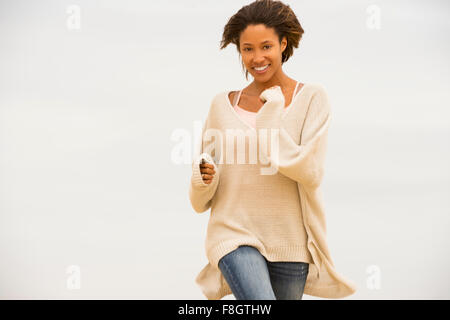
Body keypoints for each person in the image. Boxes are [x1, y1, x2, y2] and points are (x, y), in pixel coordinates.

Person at [190, 0, 357, 300]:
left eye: (266, 46)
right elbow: (200, 196)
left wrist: (271, 113)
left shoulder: (312, 98)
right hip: (232, 235)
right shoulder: (221, 104)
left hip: (290, 243)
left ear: (283, 43)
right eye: (247, 49)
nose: (257, 58)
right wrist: (203, 175)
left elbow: (310, 171)